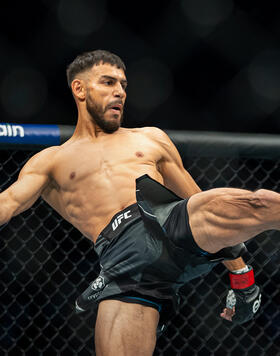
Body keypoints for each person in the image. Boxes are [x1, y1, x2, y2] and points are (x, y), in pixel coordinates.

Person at [2, 49, 278, 356]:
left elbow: (198, 202)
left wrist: (242, 278)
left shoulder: (150, 138)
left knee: (260, 202)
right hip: (126, 264)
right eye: (107, 82)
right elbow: (10, 202)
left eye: (123, 85)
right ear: (79, 89)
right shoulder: (51, 161)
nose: (119, 91)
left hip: (169, 223)